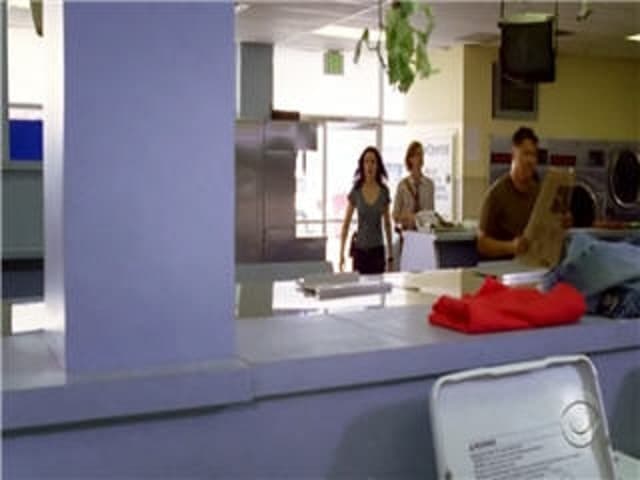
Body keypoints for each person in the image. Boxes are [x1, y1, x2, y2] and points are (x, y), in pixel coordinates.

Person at [477, 127, 541, 259]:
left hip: (533, 263)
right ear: (513, 155)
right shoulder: (496, 195)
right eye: (526, 154)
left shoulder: (539, 193)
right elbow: (482, 244)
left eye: (534, 155)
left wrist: (561, 224)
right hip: (504, 266)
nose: (530, 161)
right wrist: (511, 247)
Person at [339, 146, 393, 274]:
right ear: (362, 165)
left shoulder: (384, 191)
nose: (369, 165)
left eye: (373, 162)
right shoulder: (356, 190)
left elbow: (387, 224)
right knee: (360, 286)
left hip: (377, 252)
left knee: (378, 285)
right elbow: (346, 224)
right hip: (360, 252)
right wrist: (341, 253)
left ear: (378, 166)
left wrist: (390, 254)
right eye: (366, 161)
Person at [392, 141, 435, 231]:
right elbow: (395, 215)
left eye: (422, 154)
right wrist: (407, 217)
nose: (421, 158)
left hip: (425, 233)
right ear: (410, 158)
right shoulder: (402, 185)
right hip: (407, 232)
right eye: (417, 154)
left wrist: (422, 219)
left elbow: (431, 213)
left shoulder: (429, 185)